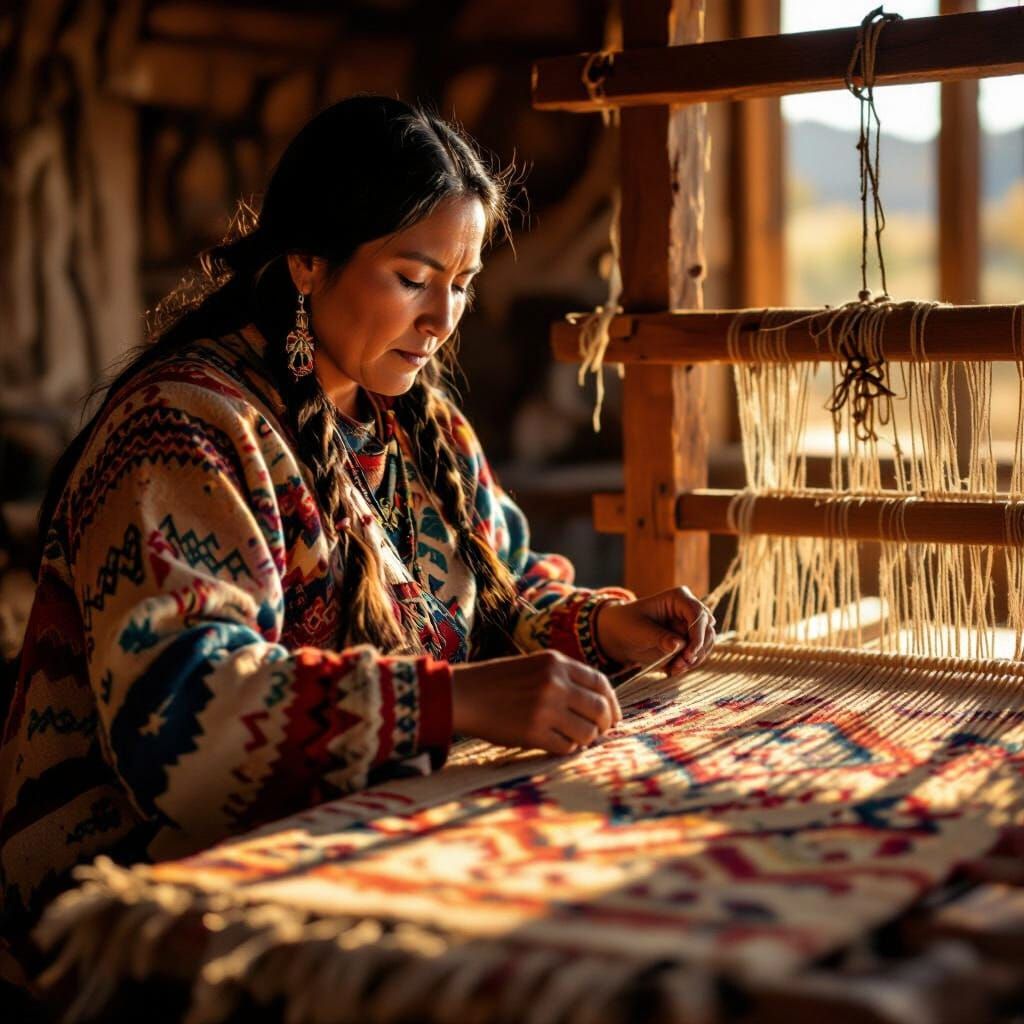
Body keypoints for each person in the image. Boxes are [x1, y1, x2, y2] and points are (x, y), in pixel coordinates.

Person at [0, 96, 715, 955]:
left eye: (463, 283)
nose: (444, 319)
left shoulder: (420, 427)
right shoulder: (184, 432)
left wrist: (598, 627)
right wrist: (459, 702)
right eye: (413, 279)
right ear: (307, 260)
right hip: (141, 910)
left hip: (351, 845)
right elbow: (182, 725)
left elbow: (499, 593)